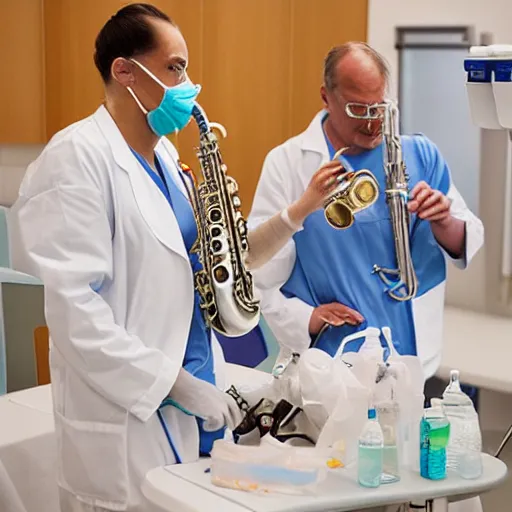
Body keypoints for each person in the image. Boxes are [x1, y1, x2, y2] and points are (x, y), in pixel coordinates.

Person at [7, 4, 343, 512]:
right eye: (175, 68)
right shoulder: (76, 160)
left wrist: (295, 214)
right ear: (125, 71)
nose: (188, 86)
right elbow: (77, 315)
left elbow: (221, 256)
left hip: (195, 392)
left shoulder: (165, 158)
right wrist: (174, 383)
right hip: (129, 419)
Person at [248, 41, 484, 386]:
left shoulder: (419, 155)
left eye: (380, 109)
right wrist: (305, 319)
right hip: (330, 367)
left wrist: (443, 221)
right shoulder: (289, 164)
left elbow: (467, 238)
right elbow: (257, 275)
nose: (373, 124)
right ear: (326, 97)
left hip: (408, 360)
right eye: (358, 110)